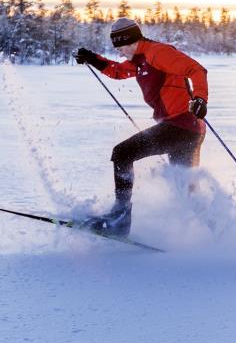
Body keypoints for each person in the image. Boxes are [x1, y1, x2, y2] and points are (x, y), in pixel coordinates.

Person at [75, 17, 209, 237]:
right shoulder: (139, 60)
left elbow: (196, 70)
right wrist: (93, 59)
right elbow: (117, 72)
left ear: (129, 42)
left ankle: (120, 219)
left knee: (122, 153)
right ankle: (214, 229)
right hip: (183, 128)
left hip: (182, 125)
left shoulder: (157, 53)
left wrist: (200, 100)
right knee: (185, 189)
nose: (119, 53)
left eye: (120, 48)